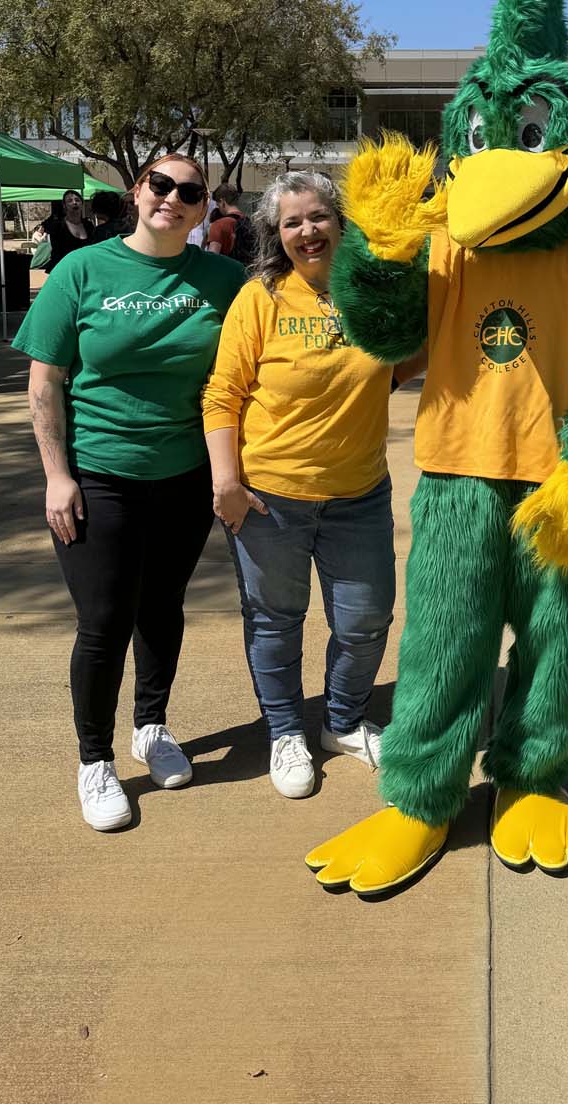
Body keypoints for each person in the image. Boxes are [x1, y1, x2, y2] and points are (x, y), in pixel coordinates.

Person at [13, 154, 245, 832]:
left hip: (183, 476)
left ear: (204, 208)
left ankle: (151, 726)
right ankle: (95, 760)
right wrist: (58, 475)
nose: (172, 198)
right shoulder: (81, 271)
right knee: (106, 620)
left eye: (190, 192)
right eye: (161, 184)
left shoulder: (225, 280)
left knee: (163, 608)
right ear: (136, 191)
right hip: (99, 476)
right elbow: (44, 382)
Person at [202, 170, 406, 799]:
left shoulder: (371, 293)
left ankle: (341, 723)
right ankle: (287, 732)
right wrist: (226, 483)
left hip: (359, 494)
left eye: (317, 217)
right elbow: (223, 394)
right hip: (271, 499)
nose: (306, 231)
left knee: (367, 619)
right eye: (291, 222)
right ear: (276, 234)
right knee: (275, 621)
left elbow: (403, 358)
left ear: (342, 222)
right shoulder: (260, 298)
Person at [38, 190, 92, 272]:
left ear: (82, 203)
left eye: (77, 200)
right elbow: (56, 253)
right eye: (70, 201)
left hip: (84, 268)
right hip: (63, 269)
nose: (74, 203)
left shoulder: (88, 225)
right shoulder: (58, 226)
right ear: (64, 206)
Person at [205, 184, 256, 268]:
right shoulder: (249, 222)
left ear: (222, 202)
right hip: (248, 275)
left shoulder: (219, 225)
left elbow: (212, 259)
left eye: (218, 204)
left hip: (227, 276)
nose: (218, 207)